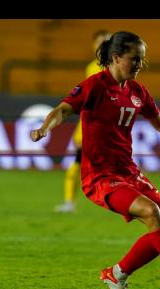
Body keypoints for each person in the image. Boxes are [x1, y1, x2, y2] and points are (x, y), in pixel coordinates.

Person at [30, 31, 160, 289]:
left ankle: (116, 274)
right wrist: (45, 128)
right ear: (116, 58)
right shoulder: (95, 86)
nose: (140, 64)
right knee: (151, 213)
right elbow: (64, 109)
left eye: (142, 59)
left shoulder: (137, 91)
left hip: (129, 171)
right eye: (135, 59)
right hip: (100, 176)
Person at [54, 29, 111, 213]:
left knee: (119, 167)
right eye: (101, 42)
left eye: (108, 42)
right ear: (94, 45)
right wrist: (80, 129)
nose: (104, 46)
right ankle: (70, 202)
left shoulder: (116, 67)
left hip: (110, 127)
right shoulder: (92, 67)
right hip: (93, 126)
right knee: (79, 163)